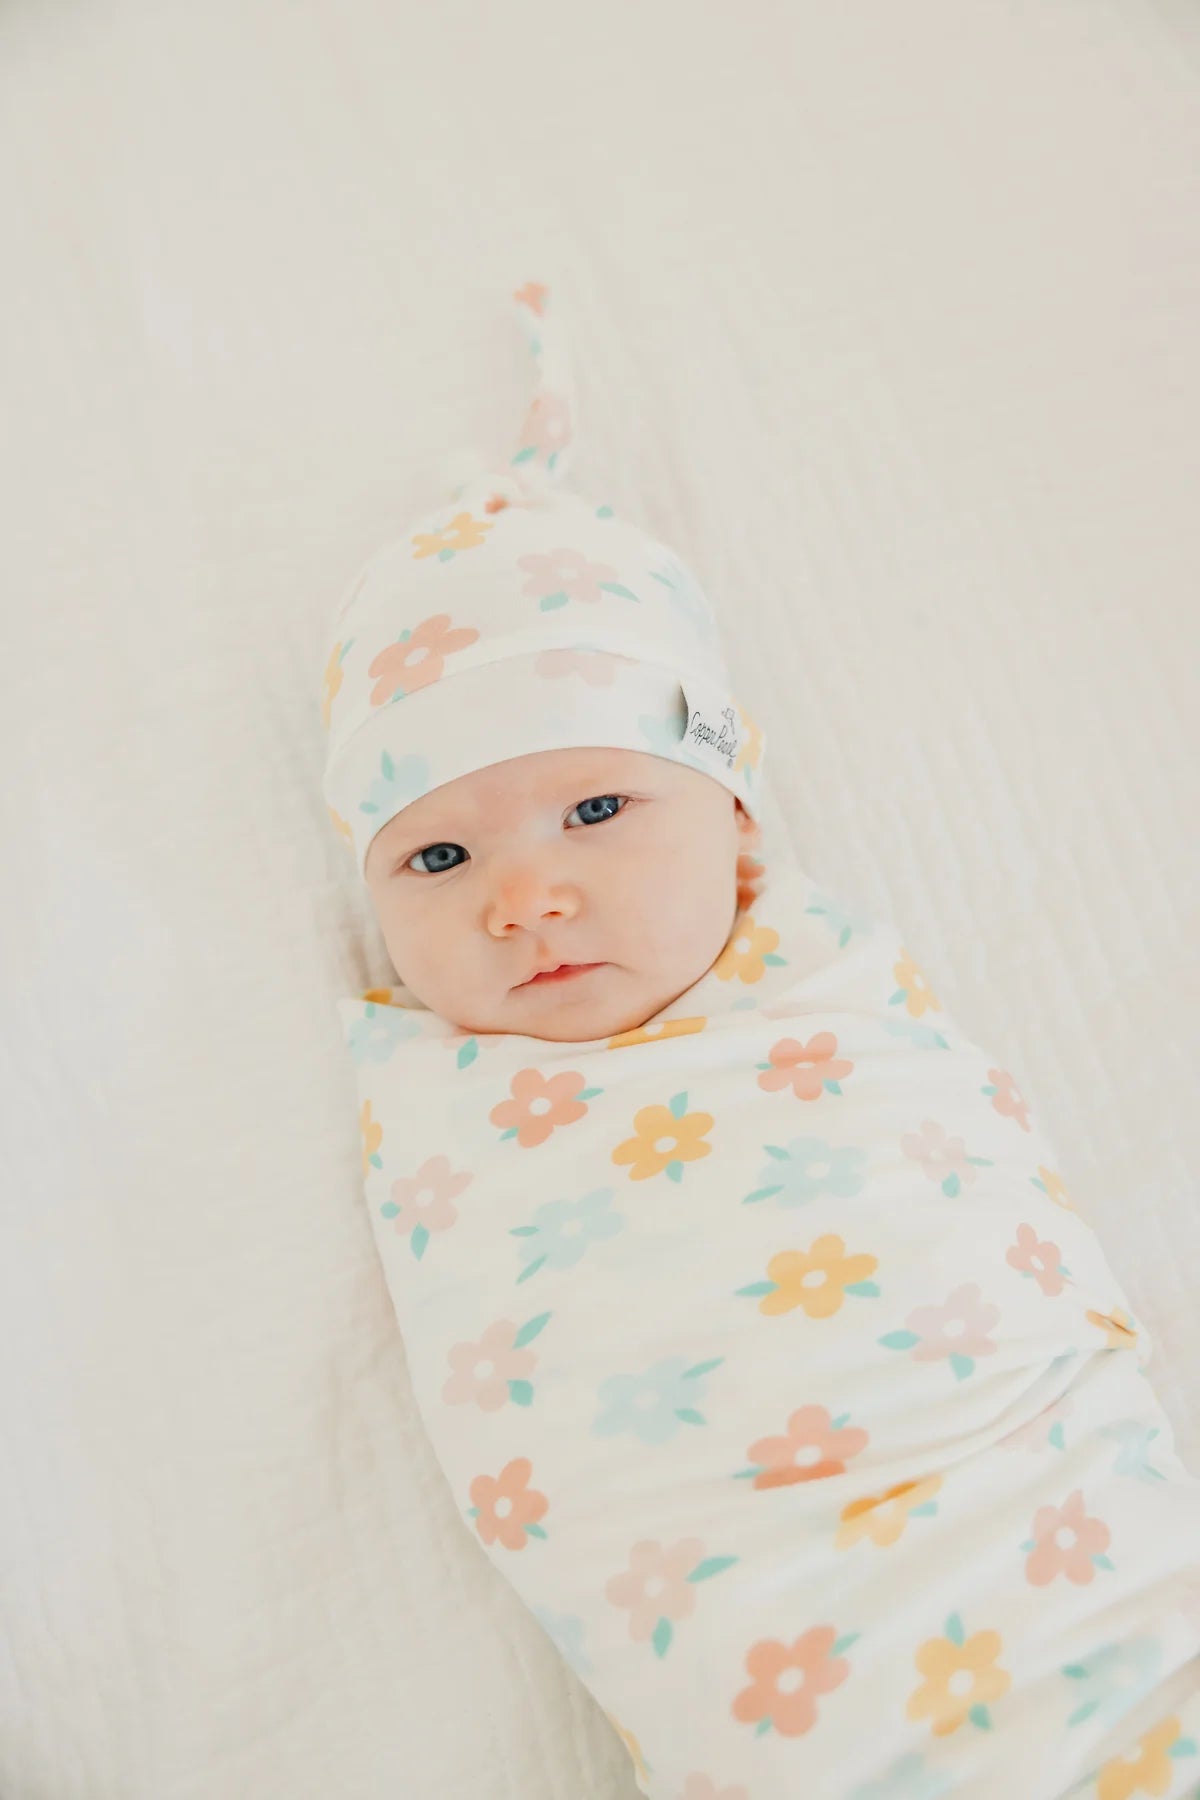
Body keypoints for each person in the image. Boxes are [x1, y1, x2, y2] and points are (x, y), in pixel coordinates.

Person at [320, 281, 1200, 1798]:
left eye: (597, 809)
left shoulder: (824, 1001)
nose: (529, 897)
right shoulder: (439, 1089)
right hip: (778, 1664)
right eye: (437, 860)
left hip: (1069, 1572)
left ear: (733, 820)